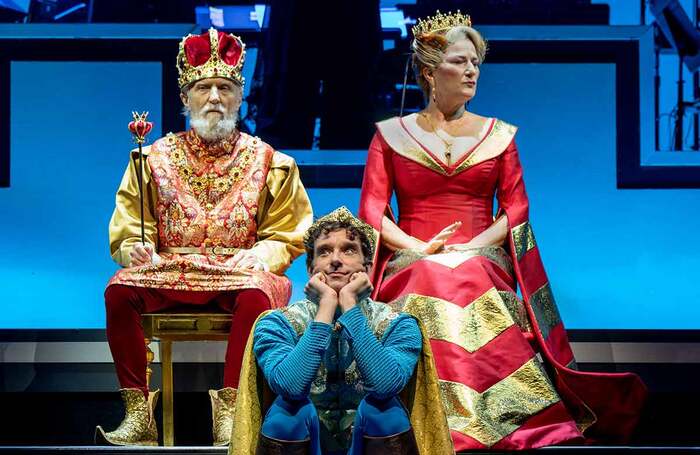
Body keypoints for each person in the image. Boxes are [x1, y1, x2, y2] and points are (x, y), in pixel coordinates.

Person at [358, 11, 646, 451]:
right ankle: (434, 419)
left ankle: (487, 422)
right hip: (412, 255)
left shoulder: (498, 135)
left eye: (476, 62)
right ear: (430, 72)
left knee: (465, 274)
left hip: (482, 253)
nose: (472, 70)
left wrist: (471, 246)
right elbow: (373, 209)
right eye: (461, 61)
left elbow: (516, 208)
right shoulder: (391, 135)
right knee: (430, 275)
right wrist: (419, 247)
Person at [95, 28, 313, 447]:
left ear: (239, 96)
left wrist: (264, 255)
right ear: (185, 97)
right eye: (203, 87)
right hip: (171, 269)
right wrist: (134, 249)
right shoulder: (151, 159)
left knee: (257, 293)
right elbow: (129, 223)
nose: (214, 97)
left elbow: (289, 231)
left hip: (238, 272)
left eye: (225, 87)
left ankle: (233, 413)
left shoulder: (270, 162)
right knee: (119, 290)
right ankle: (138, 415)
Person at [229, 207, 453, 454]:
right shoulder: (276, 324)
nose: (335, 259)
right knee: (288, 413)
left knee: (385, 411)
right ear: (310, 269)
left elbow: (385, 386)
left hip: (365, 444)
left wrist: (349, 307)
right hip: (311, 444)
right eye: (324, 252)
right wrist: (326, 307)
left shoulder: (398, 324)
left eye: (348, 249)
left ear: (367, 267)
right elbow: (291, 388)